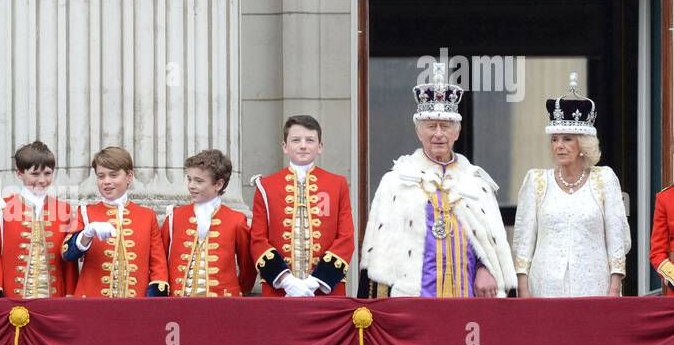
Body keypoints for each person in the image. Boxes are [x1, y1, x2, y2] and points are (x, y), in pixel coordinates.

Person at [360, 63, 514, 298]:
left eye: (445, 126)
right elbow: (379, 253)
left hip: (469, 299)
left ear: (457, 132)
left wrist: (486, 268)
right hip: (412, 298)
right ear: (419, 132)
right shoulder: (396, 181)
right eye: (431, 126)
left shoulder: (477, 183)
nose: (438, 134)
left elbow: (490, 243)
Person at [513, 73, 629, 297]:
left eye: (567, 139)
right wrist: (523, 289)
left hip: (593, 287)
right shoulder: (536, 181)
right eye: (554, 139)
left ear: (583, 144)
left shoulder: (603, 180)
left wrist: (614, 288)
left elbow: (617, 238)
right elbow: (524, 241)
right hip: (544, 288)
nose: (559, 146)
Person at [250, 115, 355, 297]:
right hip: (279, 290)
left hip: (324, 291)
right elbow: (258, 239)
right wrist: (287, 281)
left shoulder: (337, 184)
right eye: (296, 140)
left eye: (310, 140)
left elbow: (346, 238)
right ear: (285, 146)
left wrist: (315, 282)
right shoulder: (266, 186)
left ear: (320, 147)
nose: (303, 145)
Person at [61, 147, 169, 298]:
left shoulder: (147, 215)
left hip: (135, 306)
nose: (106, 182)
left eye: (113, 175)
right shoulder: (84, 212)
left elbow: (158, 266)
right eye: (101, 176)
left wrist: (153, 305)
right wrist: (86, 235)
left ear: (129, 176)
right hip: (91, 304)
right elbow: (67, 254)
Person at [0, 142, 78, 299]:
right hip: (13, 300)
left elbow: (68, 262)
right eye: (35, 174)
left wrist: (70, 294)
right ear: (20, 173)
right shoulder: (1, 207)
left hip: (55, 300)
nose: (42, 180)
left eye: (47, 173)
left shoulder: (64, 209)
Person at [162, 149, 257, 297]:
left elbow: (248, 267)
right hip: (178, 303)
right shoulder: (174, 217)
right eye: (189, 179)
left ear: (218, 185)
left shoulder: (236, 220)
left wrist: (238, 292)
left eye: (199, 181)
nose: (191, 186)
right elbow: (161, 261)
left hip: (221, 305)